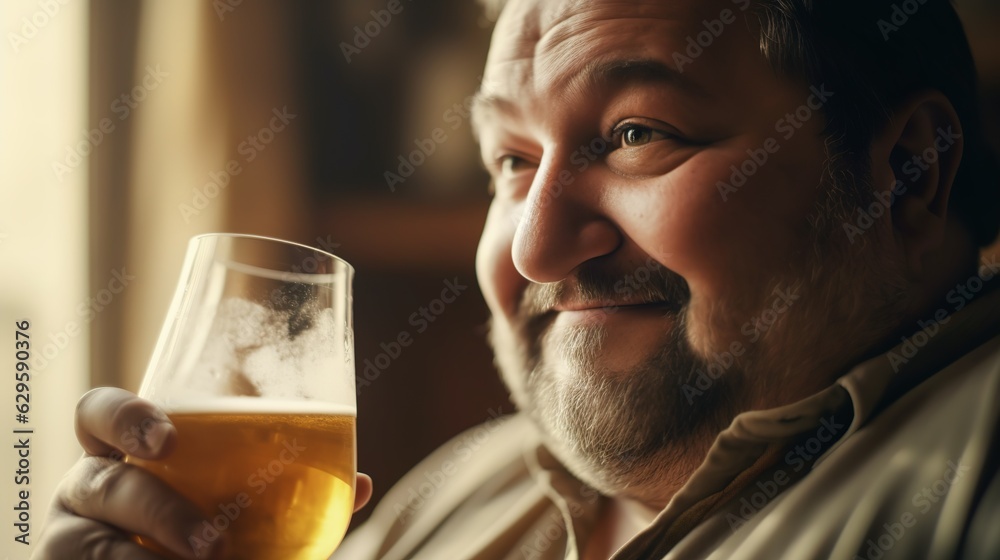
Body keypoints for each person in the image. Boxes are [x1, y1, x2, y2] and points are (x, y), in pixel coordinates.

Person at [33, 0, 1000, 558]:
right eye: (509, 161)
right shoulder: (459, 489)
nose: (534, 249)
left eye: (634, 135)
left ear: (907, 172)